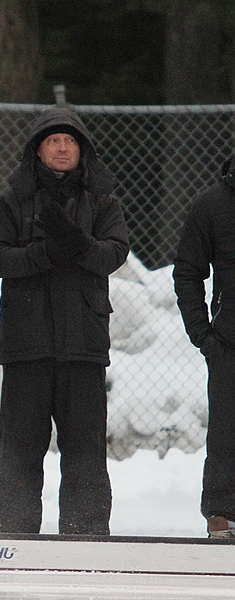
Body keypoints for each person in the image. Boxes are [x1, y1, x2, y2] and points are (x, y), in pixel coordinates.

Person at [0, 106, 128, 535]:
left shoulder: (103, 202)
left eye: (70, 141)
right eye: (52, 141)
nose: (62, 148)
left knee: (85, 450)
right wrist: (43, 254)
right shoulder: (12, 201)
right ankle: (11, 534)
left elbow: (114, 253)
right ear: (37, 151)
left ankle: (85, 535)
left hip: (83, 344)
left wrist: (78, 243)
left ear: (83, 150)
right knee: (19, 450)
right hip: (26, 344)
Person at [172, 157, 235, 539]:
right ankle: (222, 515)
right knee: (227, 431)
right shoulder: (212, 203)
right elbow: (188, 271)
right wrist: (203, 334)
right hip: (229, 341)